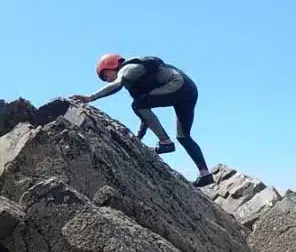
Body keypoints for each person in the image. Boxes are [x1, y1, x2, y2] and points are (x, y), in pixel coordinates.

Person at [70, 54, 214, 187]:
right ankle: (205, 174)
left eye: (104, 75)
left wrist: (91, 98)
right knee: (183, 136)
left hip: (177, 85)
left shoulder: (127, 68)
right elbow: (145, 116)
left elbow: (118, 85)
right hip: (188, 90)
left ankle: (166, 143)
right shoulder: (136, 84)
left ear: (112, 65)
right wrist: (139, 137)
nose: (106, 79)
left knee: (138, 104)